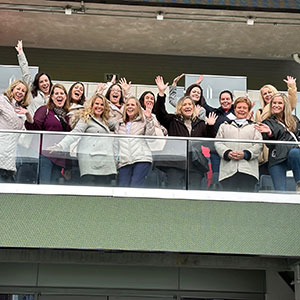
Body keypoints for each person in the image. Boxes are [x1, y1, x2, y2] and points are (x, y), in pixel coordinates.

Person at [154, 76, 217, 189]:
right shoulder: (173, 120)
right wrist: (161, 93)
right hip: (175, 162)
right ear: (180, 108)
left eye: (190, 105)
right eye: (184, 104)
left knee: (194, 193)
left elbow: (209, 141)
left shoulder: (200, 123)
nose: (187, 106)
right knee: (174, 191)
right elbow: (160, 113)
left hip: (195, 164)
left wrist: (211, 126)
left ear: (194, 108)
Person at [52, 94, 117, 186]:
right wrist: (61, 145)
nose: (99, 106)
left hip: (105, 161)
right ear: (91, 105)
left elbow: (122, 122)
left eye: (102, 105)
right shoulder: (86, 119)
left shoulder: (105, 121)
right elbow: (75, 132)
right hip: (91, 162)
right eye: (97, 104)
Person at [25, 83, 71, 184]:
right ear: (52, 97)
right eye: (56, 93)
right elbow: (34, 127)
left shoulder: (67, 116)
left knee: (52, 191)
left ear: (65, 97)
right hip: (43, 155)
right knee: (43, 186)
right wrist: (28, 117)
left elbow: (69, 138)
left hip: (59, 159)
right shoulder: (44, 110)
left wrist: (68, 164)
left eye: (62, 93)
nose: (59, 95)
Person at [215, 97, 263, 192]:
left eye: (244, 108)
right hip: (228, 172)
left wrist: (246, 154)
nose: (241, 110)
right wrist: (227, 153)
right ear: (234, 109)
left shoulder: (255, 127)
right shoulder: (224, 126)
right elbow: (218, 143)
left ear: (249, 111)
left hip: (248, 171)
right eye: (239, 107)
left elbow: (259, 145)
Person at [255, 93, 300, 192]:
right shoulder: (267, 122)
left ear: (285, 105)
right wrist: (270, 134)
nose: (276, 105)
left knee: (295, 153)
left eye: (280, 103)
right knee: (280, 191)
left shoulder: (294, 120)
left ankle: (299, 185)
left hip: (292, 156)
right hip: (276, 159)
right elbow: (268, 144)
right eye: (274, 103)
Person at [255, 76, 297, 175]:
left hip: (282, 149)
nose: (267, 95)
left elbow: (291, 101)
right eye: (264, 94)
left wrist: (291, 87)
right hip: (266, 148)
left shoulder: (281, 107)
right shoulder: (259, 112)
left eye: (269, 92)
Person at [114, 96, 156, 187]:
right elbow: (116, 144)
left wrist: (149, 119)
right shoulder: (119, 123)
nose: (130, 107)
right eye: (127, 105)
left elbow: (151, 139)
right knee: (123, 188)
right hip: (124, 161)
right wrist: (116, 161)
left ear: (138, 108)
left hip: (141, 158)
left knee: (135, 187)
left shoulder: (144, 120)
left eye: (133, 105)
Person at [0, 80, 32, 182]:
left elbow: (31, 124)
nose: (20, 92)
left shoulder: (20, 109)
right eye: (18, 89)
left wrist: (27, 113)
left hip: (12, 155)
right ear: (12, 89)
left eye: (23, 91)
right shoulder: (2, 100)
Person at [15, 40, 53, 115]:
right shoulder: (32, 93)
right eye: (41, 82)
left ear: (49, 82)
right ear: (38, 84)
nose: (44, 83)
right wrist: (21, 53)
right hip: (33, 124)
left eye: (46, 80)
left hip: (47, 126)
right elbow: (26, 74)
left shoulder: (54, 95)